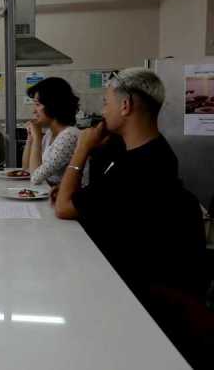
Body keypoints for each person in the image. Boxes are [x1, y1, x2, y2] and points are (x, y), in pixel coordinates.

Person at [53, 68, 209, 368]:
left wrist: (82, 149)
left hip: (134, 299)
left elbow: (64, 208)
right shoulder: (145, 151)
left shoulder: (141, 167)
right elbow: (84, 200)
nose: (103, 111)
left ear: (125, 106)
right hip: (134, 279)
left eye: (106, 102)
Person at [21, 77, 81, 186]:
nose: (34, 110)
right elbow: (26, 169)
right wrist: (30, 139)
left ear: (52, 106)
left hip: (66, 195)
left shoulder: (69, 135)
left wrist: (37, 138)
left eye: (37, 104)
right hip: (50, 192)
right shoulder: (50, 133)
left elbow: (35, 178)